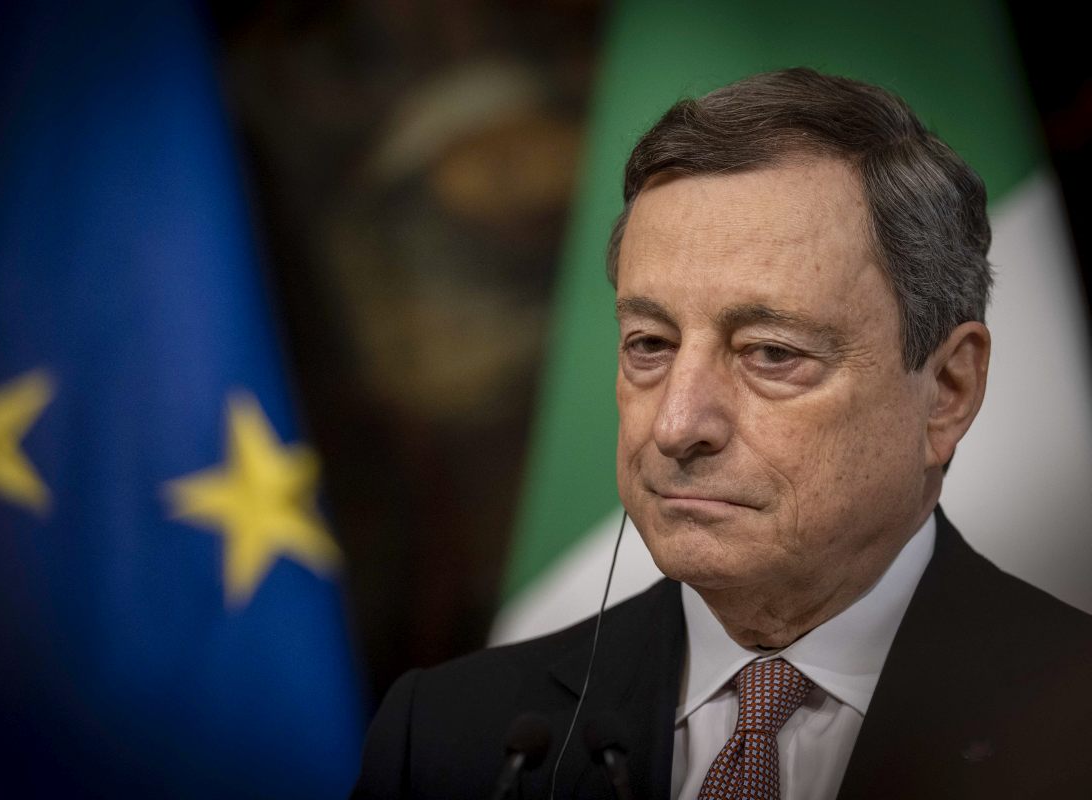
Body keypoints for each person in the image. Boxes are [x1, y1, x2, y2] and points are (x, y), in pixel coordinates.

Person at [349, 68, 1092, 800]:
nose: (675, 426)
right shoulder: (451, 738)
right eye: (649, 345)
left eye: (770, 353)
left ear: (948, 393)